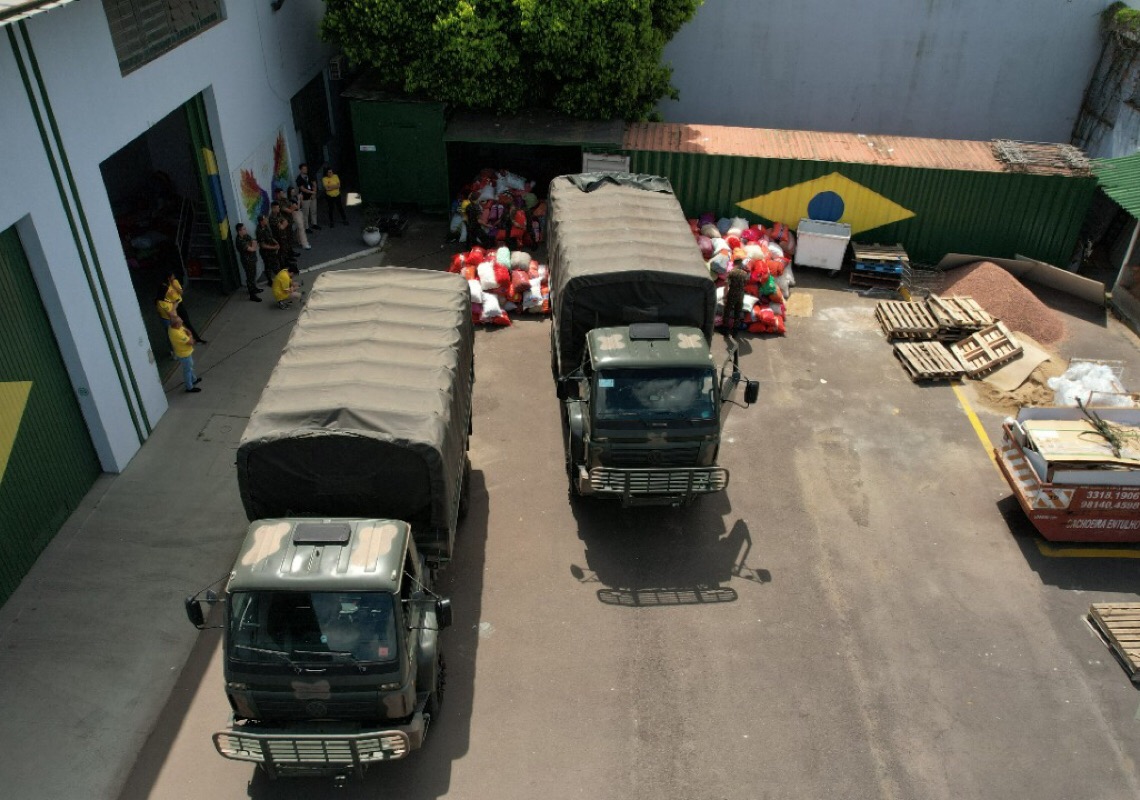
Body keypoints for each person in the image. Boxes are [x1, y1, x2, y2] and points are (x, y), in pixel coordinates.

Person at [163, 271, 206, 344]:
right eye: (172, 276)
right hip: (172, 306)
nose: (174, 277)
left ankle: (196, 339)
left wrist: (175, 286)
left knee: (187, 322)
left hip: (179, 304)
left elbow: (181, 292)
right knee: (176, 324)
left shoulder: (175, 282)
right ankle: (182, 340)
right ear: (168, 278)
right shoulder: (164, 287)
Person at [168, 315, 201, 393]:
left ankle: (194, 379)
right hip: (184, 354)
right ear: (176, 325)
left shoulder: (172, 328)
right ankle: (189, 387)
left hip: (183, 352)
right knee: (187, 370)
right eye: (180, 322)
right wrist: (190, 335)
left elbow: (183, 328)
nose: (182, 322)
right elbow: (191, 342)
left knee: (189, 367)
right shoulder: (178, 335)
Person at [234, 223, 263, 302]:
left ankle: (254, 289)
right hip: (247, 262)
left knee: (253, 276)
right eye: (243, 229)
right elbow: (252, 249)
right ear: (239, 231)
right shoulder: (239, 241)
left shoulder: (245, 236)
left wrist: (252, 245)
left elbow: (254, 241)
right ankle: (252, 295)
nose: (245, 230)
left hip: (252, 260)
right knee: (250, 278)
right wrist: (253, 245)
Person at [723, 260, 749, 332]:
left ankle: (725, 329)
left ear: (734, 264)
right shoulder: (745, 274)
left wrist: (725, 296)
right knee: (738, 312)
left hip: (732, 293)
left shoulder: (731, 272)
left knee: (727, 311)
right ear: (741, 264)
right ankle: (735, 330)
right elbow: (746, 283)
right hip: (741, 295)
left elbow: (726, 285)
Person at [296, 162, 320, 232]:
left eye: (306, 169)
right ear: (300, 170)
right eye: (304, 169)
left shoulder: (310, 175)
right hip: (305, 198)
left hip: (313, 197)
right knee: (305, 213)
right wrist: (312, 192)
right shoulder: (299, 178)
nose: (305, 170)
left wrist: (314, 194)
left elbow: (314, 184)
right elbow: (302, 189)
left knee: (313, 210)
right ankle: (306, 227)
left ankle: (314, 224)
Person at [255, 214, 279, 283]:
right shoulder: (259, 231)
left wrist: (277, 243)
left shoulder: (266, 227)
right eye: (265, 219)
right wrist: (274, 247)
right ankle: (270, 280)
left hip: (272, 249)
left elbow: (270, 237)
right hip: (265, 252)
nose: (267, 220)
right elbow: (263, 245)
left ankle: (279, 278)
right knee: (268, 266)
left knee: (276, 264)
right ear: (261, 221)